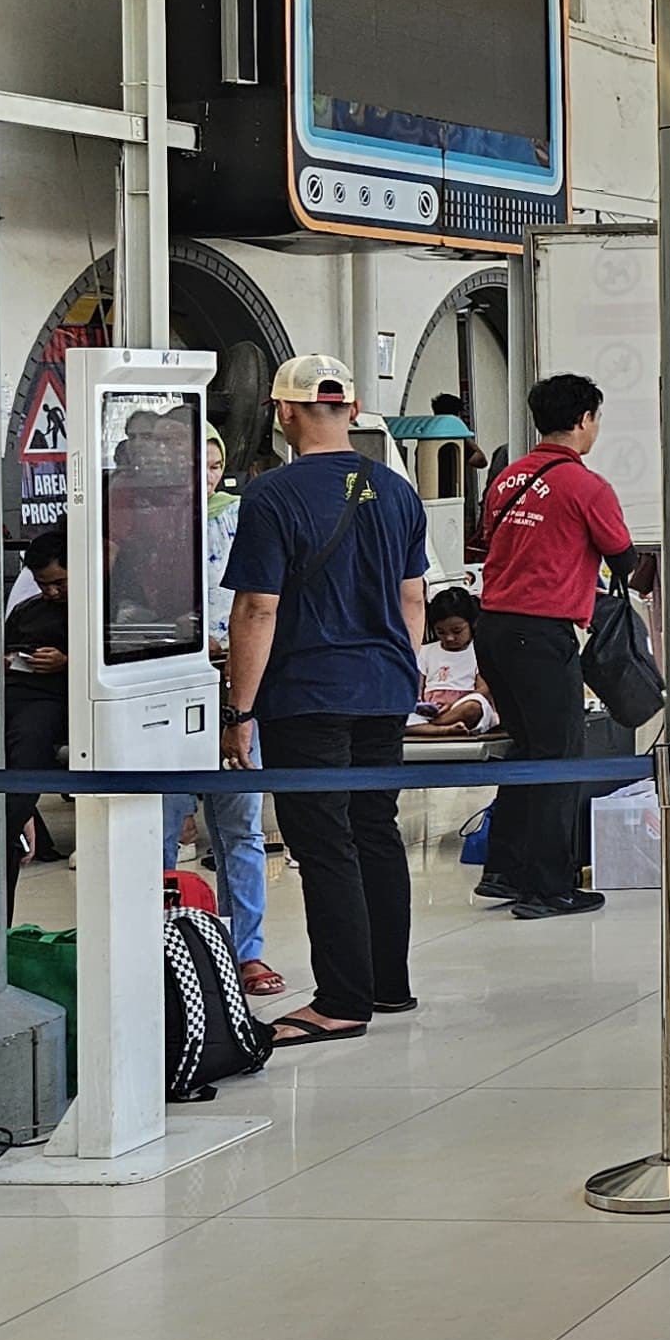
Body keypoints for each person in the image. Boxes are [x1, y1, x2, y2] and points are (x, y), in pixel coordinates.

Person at [223, 350, 430, 1044]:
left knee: (324, 841)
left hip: (307, 692)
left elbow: (257, 608)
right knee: (375, 829)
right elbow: (412, 597)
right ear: (349, 408)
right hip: (383, 687)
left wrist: (240, 711)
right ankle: (386, 982)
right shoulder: (397, 490)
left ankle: (341, 999)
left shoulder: (272, 495)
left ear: (283, 413)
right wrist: (401, 674)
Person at [476, 373, 631, 923]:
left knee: (526, 750)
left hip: (491, 629)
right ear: (585, 419)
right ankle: (548, 887)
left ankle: (505, 868)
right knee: (559, 756)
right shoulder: (586, 487)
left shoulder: (507, 479)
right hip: (541, 636)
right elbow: (627, 563)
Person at [163, 425, 278, 994]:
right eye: (194, 464)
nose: (206, 476)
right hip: (169, 685)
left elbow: (259, 602)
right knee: (162, 822)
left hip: (236, 684)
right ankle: (161, 938)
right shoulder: (151, 524)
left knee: (239, 827)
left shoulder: (242, 516)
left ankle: (245, 949)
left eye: (213, 465)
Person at [2, 527, 72, 879]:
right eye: (43, 584)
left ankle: (9, 826)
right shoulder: (28, 610)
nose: (51, 592)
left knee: (28, 739)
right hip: (13, 689)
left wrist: (66, 662)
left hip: (55, 698)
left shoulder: (99, 610)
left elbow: (120, 660)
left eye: (59, 582)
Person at [415, 589, 495, 732]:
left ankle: (430, 728)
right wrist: (423, 706)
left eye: (457, 631)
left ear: (472, 624)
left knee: (474, 707)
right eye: (441, 632)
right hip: (430, 710)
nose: (449, 638)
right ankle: (442, 728)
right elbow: (417, 687)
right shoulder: (426, 651)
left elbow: (483, 690)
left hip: (462, 705)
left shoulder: (479, 650)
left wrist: (453, 706)